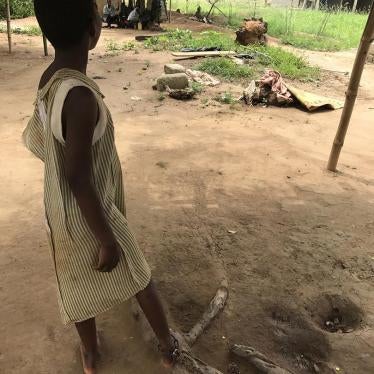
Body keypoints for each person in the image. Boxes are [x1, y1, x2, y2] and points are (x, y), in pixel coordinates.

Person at [23, 1, 180, 373]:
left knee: (75, 278)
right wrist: (106, 238)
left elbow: (46, 143)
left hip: (60, 210)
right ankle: (167, 344)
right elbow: (79, 176)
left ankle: (90, 351)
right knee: (139, 275)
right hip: (92, 208)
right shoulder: (80, 98)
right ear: (94, 29)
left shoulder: (49, 78)